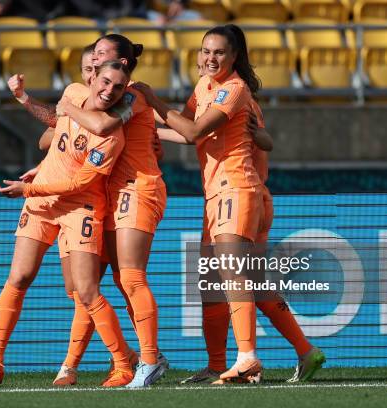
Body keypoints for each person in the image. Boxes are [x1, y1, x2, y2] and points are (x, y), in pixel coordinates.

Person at [0, 60, 135, 388]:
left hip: (80, 207)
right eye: (104, 81)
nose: (108, 90)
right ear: (91, 78)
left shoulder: (112, 137)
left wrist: (28, 188)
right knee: (18, 277)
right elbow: (58, 125)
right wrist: (23, 98)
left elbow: (79, 184)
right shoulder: (73, 94)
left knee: (85, 291)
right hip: (42, 202)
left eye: (117, 87)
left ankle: (123, 364)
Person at [133, 24, 265, 384]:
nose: (210, 57)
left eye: (219, 52)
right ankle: (219, 363)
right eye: (205, 51)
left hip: (236, 187)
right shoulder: (206, 86)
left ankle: (248, 357)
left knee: (234, 274)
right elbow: (184, 128)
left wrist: (152, 99)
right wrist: (147, 127)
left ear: (234, 56)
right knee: (210, 283)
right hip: (215, 193)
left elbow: (192, 132)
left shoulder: (234, 90)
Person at [55, 33, 169, 388]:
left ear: (122, 63)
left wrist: (67, 108)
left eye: (103, 53)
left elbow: (101, 126)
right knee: (88, 288)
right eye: (94, 53)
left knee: (130, 278)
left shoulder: (129, 94)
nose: (94, 56)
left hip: (136, 188)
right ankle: (120, 361)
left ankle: (147, 360)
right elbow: (56, 134)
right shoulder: (93, 93)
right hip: (107, 192)